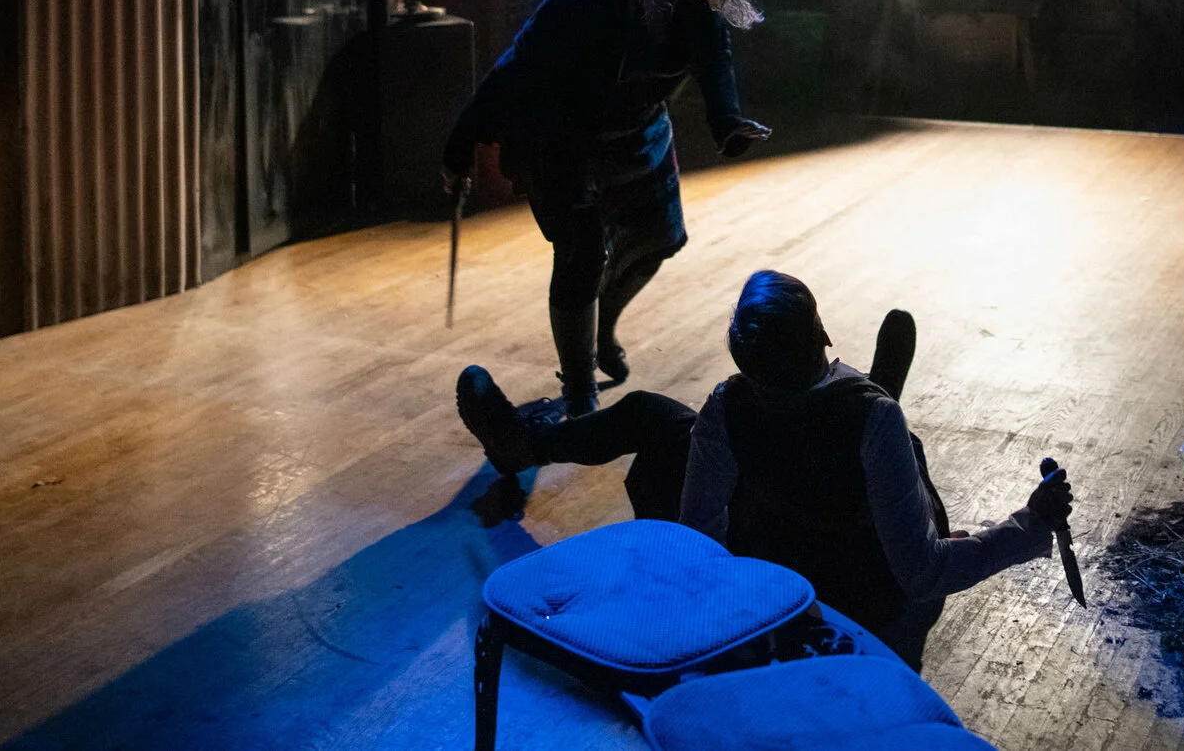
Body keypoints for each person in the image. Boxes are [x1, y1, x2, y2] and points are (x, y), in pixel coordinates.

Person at [455, 272, 1075, 668]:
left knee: (649, 415)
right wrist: (1029, 524)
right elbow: (922, 573)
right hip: (866, 609)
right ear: (823, 334)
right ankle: (865, 392)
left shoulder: (728, 405)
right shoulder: (874, 422)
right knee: (895, 444)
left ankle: (524, 445)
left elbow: (700, 544)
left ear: (744, 363)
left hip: (777, 572)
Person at [444, 0, 771, 415]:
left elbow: (714, 59)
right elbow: (518, 64)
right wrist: (462, 143)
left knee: (658, 240)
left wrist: (727, 122)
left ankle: (601, 329)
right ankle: (580, 392)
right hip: (563, 139)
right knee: (582, 254)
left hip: (640, 132)